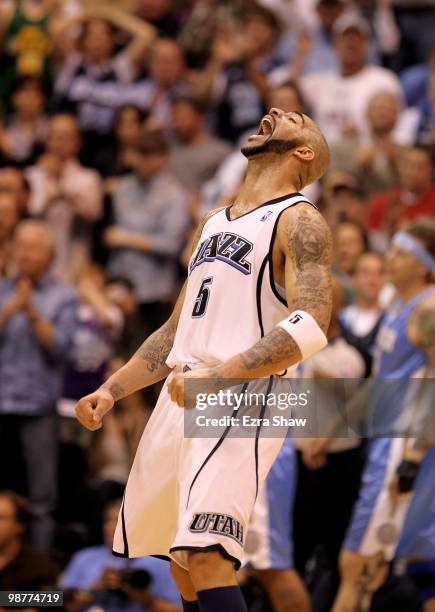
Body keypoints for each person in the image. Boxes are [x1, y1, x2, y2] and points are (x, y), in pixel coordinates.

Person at [76, 106, 333, 612]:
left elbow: (312, 323)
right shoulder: (213, 221)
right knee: (181, 565)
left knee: (207, 551)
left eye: (297, 118)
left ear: (303, 152)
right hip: (185, 387)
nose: (278, 111)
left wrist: (221, 375)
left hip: (244, 391)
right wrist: (114, 389)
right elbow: (175, 330)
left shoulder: (300, 219)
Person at [332, 218, 435, 612]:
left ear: (423, 264)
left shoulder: (428, 310)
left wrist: (411, 460)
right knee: (423, 569)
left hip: (405, 447)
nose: (389, 257)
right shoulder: (398, 305)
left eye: (401, 253)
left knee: (357, 562)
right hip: (385, 439)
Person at [0, 220, 77, 550]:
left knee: (42, 500)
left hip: (39, 406)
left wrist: (30, 310)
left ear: (49, 254)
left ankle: (40, 582)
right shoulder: (2, 290)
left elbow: (60, 347)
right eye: (21, 245)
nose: (26, 254)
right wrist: (10, 309)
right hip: (2, 402)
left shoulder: (63, 296)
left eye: (34, 247)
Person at [104, 130, 189, 339]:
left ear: (163, 158)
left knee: (147, 356)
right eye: (140, 154)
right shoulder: (122, 187)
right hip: (118, 280)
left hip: (154, 289)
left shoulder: (174, 194)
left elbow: (171, 244)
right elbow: (108, 232)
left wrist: (127, 238)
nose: (144, 161)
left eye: (151, 155)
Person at [60, 498, 181, 610]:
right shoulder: (84, 558)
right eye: (108, 520)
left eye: (119, 520)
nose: (112, 527)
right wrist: (92, 590)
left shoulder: (160, 562)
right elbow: (51, 600)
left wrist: (145, 599)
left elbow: (179, 610)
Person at [299, 13, 402, 145]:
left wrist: (365, 137)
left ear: (366, 44)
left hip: (367, 156)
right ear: (335, 44)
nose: (351, 43)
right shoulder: (319, 83)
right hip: (325, 156)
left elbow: (398, 126)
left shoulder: (384, 80)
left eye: (357, 38)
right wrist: (301, 55)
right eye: (345, 38)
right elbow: (285, 94)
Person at [26, 113, 102, 280]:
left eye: (67, 138)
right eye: (55, 137)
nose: (60, 144)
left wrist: (61, 186)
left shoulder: (89, 178)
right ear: (47, 140)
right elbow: (27, 214)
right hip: (34, 262)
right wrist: (50, 198)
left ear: (78, 143)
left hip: (75, 261)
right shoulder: (32, 176)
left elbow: (94, 214)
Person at [367, 146, 435, 252]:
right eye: (410, 166)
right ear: (400, 168)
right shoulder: (382, 202)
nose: (414, 172)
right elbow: (375, 246)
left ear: (431, 170)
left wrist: (414, 233)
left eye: (420, 167)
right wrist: (387, 230)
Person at [169, 95, 232, 193]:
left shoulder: (221, 151)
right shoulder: (167, 150)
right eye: (173, 118)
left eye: (181, 116)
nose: (176, 123)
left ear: (199, 117)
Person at [0, 490, 59, 591]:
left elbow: (54, 599)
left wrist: (6, 600)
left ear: (19, 525)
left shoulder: (38, 566)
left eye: (1, 518)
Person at [340, 252, 385, 376]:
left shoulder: (391, 320)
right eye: (366, 273)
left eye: (379, 273)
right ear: (354, 277)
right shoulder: (341, 319)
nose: (372, 280)